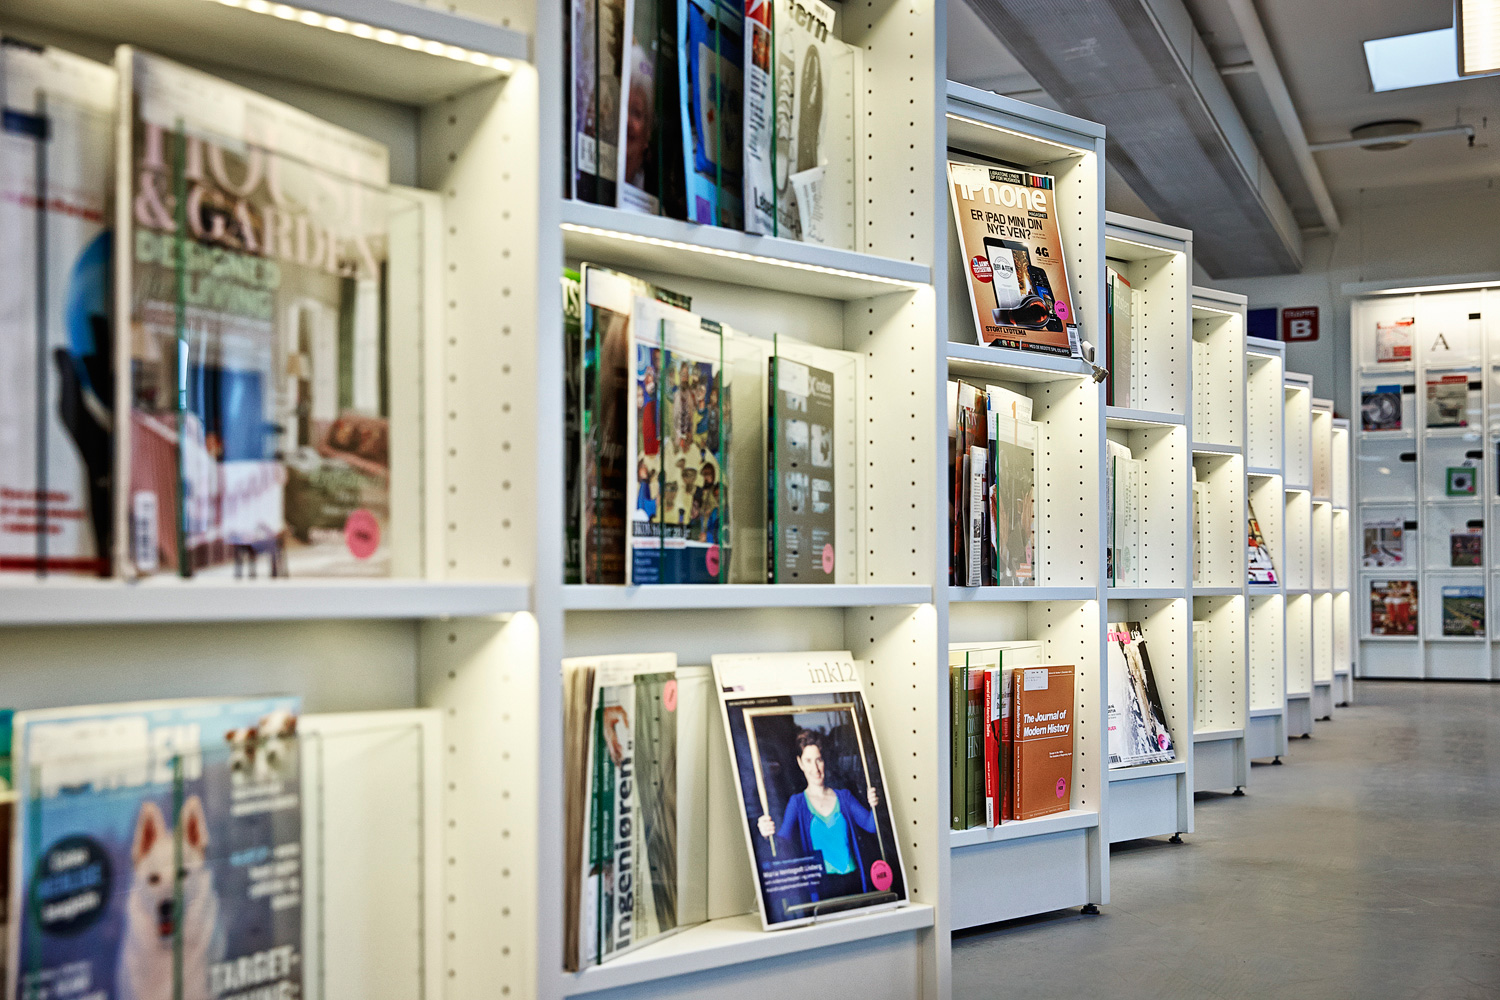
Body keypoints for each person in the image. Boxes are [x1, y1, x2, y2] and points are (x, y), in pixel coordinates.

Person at [756, 729, 880, 900]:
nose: (815, 768)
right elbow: (782, 844)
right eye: (808, 761)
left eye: (819, 760)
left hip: (854, 882)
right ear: (800, 763)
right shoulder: (797, 803)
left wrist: (874, 805)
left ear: (824, 761)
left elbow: (871, 826)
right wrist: (766, 834)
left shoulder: (844, 797)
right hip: (823, 887)